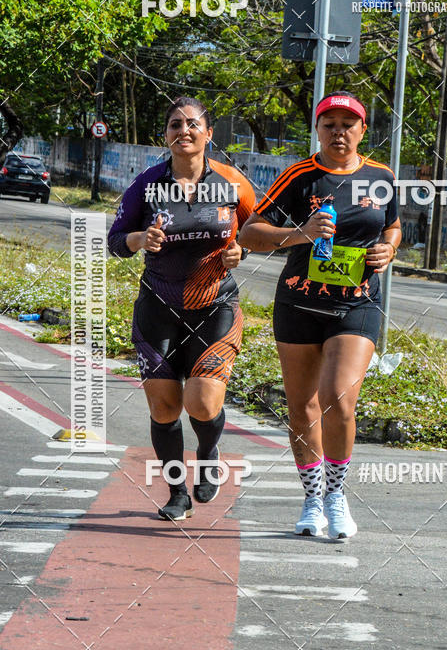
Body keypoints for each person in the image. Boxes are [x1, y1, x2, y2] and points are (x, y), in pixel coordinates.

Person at [239, 91, 401, 539]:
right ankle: (312, 498)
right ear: (318, 130)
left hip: (358, 303)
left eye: (348, 125)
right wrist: (300, 233)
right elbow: (251, 232)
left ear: (363, 131)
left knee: (338, 398)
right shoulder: (299, 176)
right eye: (329, 124)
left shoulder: (381, 177)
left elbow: (392, 223)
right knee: (302, 408)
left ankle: (336, 494)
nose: (339, 132)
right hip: (299, 303)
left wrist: (390, 247)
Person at [108, 96, 255, 521]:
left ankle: (209, 454)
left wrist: (240, 251)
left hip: (215, 306)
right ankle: (176, 493)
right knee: (164, 407)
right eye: (175, 124)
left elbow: (258, 231)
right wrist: (140, 240)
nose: (184, 131)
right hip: (158, 306)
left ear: (208, 134)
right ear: (166, 135)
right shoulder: (147, 185)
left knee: (203, 404)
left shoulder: (233, 184)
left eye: (193, 124)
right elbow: (117, 240)